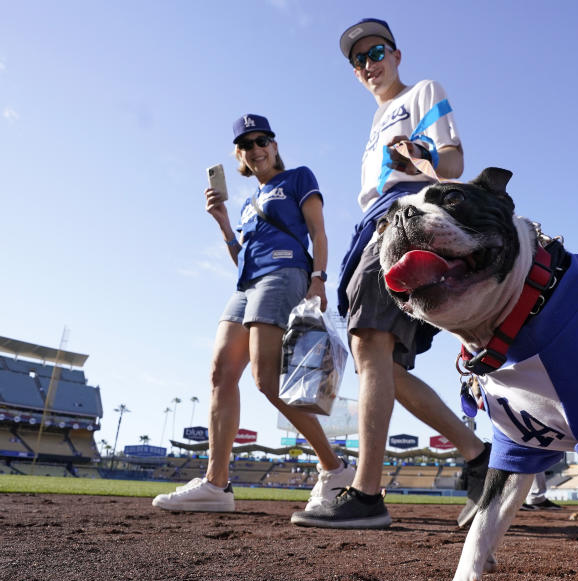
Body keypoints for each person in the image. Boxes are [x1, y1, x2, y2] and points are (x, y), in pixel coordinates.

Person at [289, 19, 489, 529]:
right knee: (384, 366)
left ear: (397, 54)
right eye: (358, 60)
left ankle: (367, 493)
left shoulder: (422, 91)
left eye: (375, 51)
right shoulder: (376, 123)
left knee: (371, 345)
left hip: (402, 219)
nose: (368, 64)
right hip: (374, 223)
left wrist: (420, 155)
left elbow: (453, 163)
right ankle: (476, 456)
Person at [154, 115, 351, 514]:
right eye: (246, 145)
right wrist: (225, 223)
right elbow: (241, 257)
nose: (255, 149)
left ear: (275, 146)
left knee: (266, 381)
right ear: (239, 155)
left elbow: (319, 231)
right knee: (220, 373)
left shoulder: (298, 178)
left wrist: (319, 279)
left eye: (262, 140)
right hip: (247, 285)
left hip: (285, 273)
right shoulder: (246, 204)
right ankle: (216, 484)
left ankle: (334, 470)